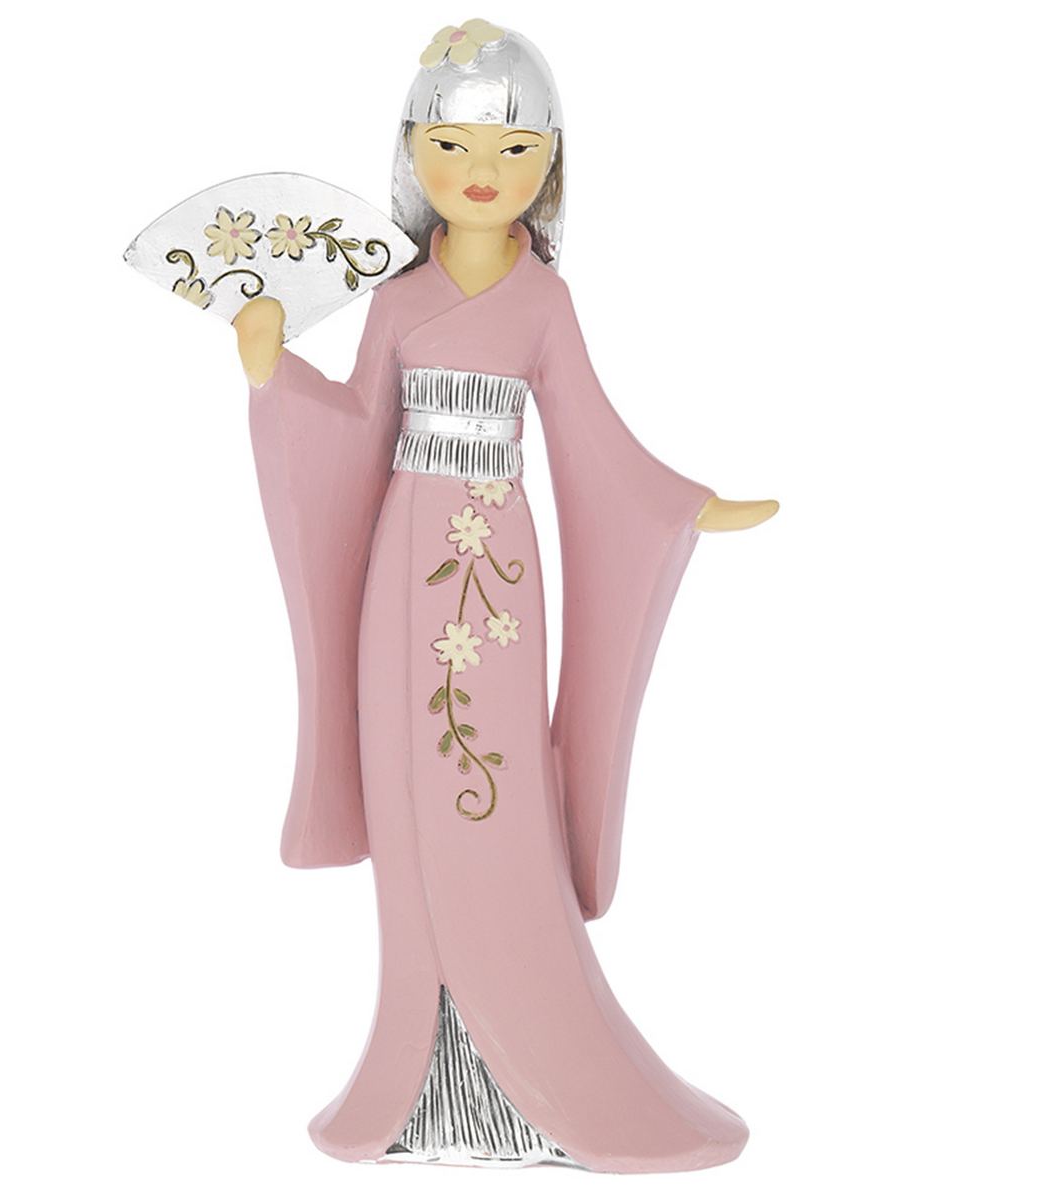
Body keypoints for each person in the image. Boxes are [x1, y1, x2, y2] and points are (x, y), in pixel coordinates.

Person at [233, 21, 776, 1172]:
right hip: (401, 569)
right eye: (453, 144)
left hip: (496, 569)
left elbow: (593, 438)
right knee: (409, 785)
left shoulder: (544, 305)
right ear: (412, 152)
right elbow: (352, 427)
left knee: (497, 784)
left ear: (552, 162)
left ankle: (536, 1061)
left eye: (515, 147)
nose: (482, 169)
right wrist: (274, 370)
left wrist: (681, 507)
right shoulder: (397, 300)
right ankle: (420, 1083)